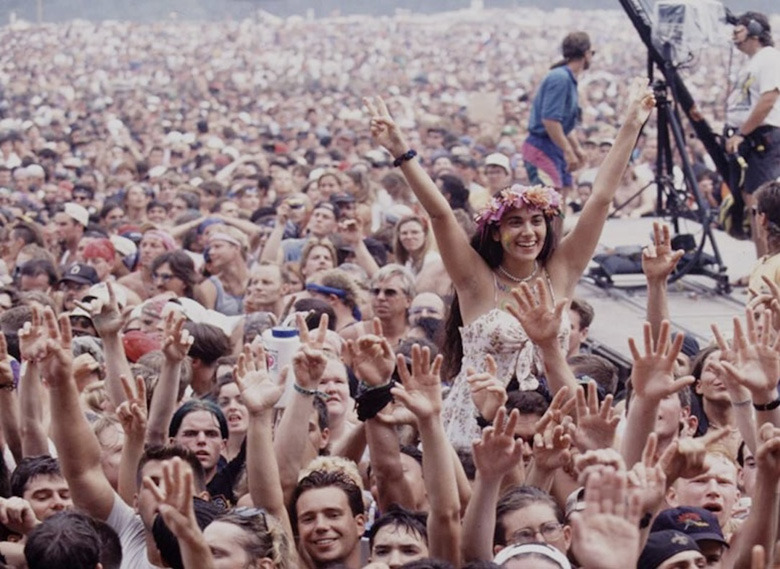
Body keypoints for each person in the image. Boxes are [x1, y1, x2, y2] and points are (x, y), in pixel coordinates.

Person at [364, 78, 654, 448]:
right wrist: (401, 150)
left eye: (537, 221)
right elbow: (440, 216)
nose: (528, 232)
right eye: (515, 222)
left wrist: (631, 124)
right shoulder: (476, 281)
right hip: (475, 428)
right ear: (496, 232)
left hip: (547, 425)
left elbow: (600, 199)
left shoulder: (559, 273)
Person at [725, 12, 780, 257]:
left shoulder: (769, 59)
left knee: (761, 207)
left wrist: (742, 133)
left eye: (739, 30)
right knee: (752, 207)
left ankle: (767, 270)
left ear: (755, 30)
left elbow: (769, 99)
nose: (734, 35)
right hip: (751, 139)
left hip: (761, 138)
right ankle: (761, 266)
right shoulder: (753, 62)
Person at [521, 32, 593, 199]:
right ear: (586, 54)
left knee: (562, 197)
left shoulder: (569, 78)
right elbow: (550, 120)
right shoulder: (559, 78)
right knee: (549, 200)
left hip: (555, 145)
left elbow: (565, 125)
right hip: (542, 145)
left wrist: (577, 149)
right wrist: (568, 150)